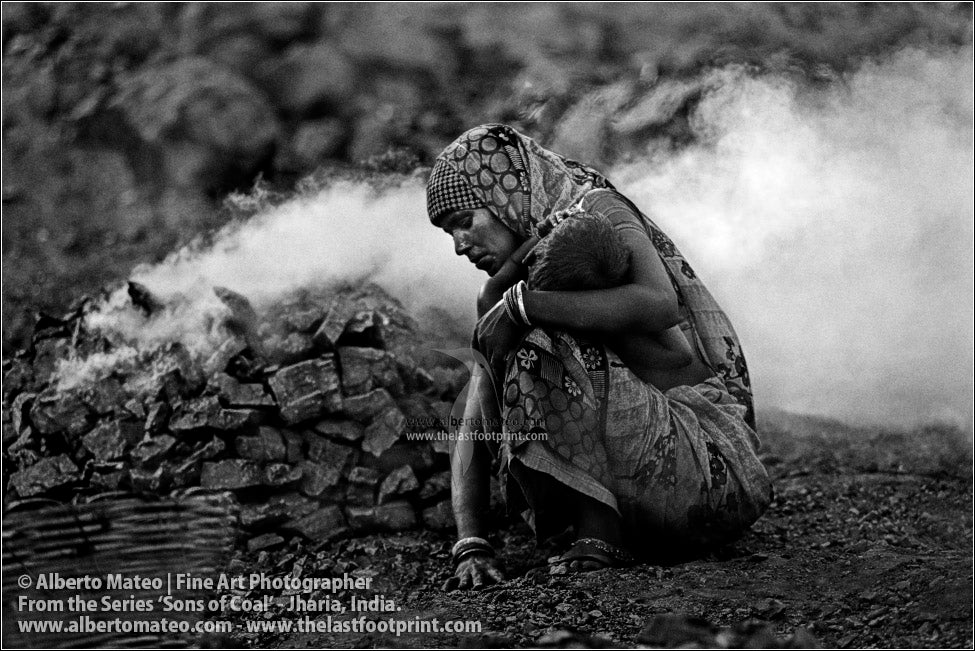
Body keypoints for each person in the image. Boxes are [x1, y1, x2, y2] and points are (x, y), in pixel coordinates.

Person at [426, 124, 773, 590]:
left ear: (504, 194)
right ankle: (601, 522)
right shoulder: (507, 289)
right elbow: (474, 421)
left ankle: (600, 533)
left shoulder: (595, 213)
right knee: (510, 343)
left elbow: (659, 303)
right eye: (450, 233)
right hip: (654, 503)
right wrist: (471, 544)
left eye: (466, 221)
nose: (459, 245)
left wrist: (526, 306)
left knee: (537, 344)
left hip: (708, 469)